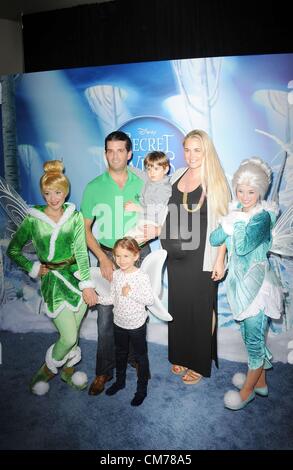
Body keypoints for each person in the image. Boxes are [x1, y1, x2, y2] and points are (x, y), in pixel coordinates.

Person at [7, 160, 98, 395]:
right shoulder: (34, 219)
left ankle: (68, 370)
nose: (53, 198)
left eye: (57, 192)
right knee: (67, 337)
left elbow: (81, 252)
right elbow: (14, 250)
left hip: (76, 280)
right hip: (53, 283)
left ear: (65, 191)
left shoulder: (75, 216)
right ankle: (46, 369)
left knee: (74, 334)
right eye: (47, 193)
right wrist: (33, 267)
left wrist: (87, 286)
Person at [81, 130, 152, 396]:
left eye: (120, 150)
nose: (115, 155)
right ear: (105, 153)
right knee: (106, 316)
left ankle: (133, 355)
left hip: (138, 253)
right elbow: (85, 229)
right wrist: (102, 257)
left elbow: (160, 213)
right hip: (108, 254)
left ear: (130, 153)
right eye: (110, 150)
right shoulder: (93, 187)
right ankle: (103, 371)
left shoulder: (144, 183)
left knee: (135, 306)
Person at [210, 157, 283, 410]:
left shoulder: (263, 217)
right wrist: (230, 221)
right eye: (240, 190)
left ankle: (246, 392)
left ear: (260, 190)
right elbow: (214, 238)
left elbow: (241, 248)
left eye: (251, 191)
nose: (245, 196)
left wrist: (235, 221)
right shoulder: (237, 212)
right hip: (238, 287)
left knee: (253, 342)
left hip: (258, 287)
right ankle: (260, 382)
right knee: (249, 337)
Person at [160, 129, 231, 384]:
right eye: (187, 149)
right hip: (177, 255)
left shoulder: (216, 181)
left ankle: (199, 362)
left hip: (204, 255)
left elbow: (226, 224)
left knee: (202, 308)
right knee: (179, 305)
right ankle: (180, 353)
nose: (191, 155)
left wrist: (220, 258)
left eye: (197, 150)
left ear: (206, 151)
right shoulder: (177, 175)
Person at [97, 237, 154, 406]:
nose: (121, 260)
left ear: (136, 256)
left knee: (140, 356)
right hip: (119, 323)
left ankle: (141, 389)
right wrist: (98, 299)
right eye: (118, 256)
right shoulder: (115, 275)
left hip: (136, 325)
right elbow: (113, 298)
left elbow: (149, 299)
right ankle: (120, 382)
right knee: (120, 353)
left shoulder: (141, 276)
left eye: (126, 256)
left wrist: (130, 293)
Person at [124, 151, 171, 243]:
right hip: (143, 219)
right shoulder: (151, 179)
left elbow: (155, 210)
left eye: (156, 169)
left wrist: (137, 208)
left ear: (165, 170)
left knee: (126, 243)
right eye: (149, 169)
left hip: (152, 222)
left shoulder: (164, 188)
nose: (152, 172)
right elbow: (139, 173)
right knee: (125, 242)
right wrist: (124, 167)